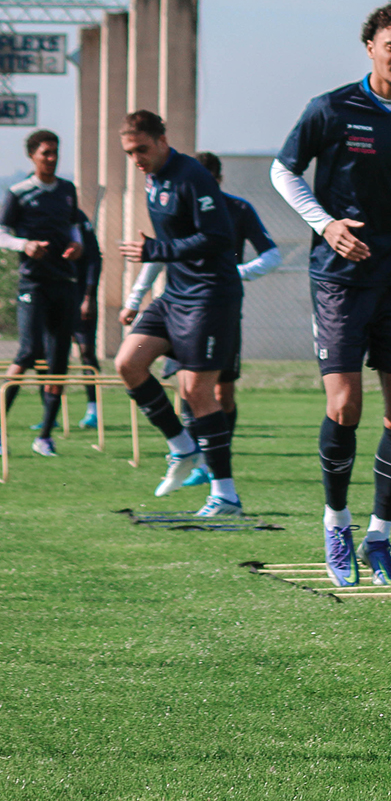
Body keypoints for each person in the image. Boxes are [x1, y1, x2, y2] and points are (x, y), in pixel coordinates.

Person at [271, 2, 391, 587]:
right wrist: (325, 224)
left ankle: (380, 536)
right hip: (340, 280)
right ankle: (336, 523)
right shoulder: (330, 107)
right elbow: (283, 171)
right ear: (370, 45)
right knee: (345, 406)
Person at [113, 111, 243, 515]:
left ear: (162, 139)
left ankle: (225, 495)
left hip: (209, 296)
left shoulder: (193, 176)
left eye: (142, 149)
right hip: (175, 296)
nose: (136, 159)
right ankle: (181, 447)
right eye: (130, 152)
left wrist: (157, 250)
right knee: (128, 363)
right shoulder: (152, 177)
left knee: (196, 392)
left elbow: (218, 237)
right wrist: (143, 280)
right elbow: (166, 241)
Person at [125, 150, 279, 485]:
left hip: (215, 305)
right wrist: (135, 299)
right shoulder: (176, 197)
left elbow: (271, 253)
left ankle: (217, 471)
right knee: (175, 384)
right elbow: (159, 252)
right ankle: (189, 452)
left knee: (218, 392)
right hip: (176, 303)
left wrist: (239, 273)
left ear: (217, 180)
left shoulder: (237, 209)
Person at [0, 130, 83, 457]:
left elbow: (74, 225)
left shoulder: (67, 190)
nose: (51, 158)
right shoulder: (19, 193)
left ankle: (45, 436)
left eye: (55, 152)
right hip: (32, 283)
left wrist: (77, 244)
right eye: (45, 152)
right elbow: (2, 234)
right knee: (28, 352)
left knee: (58, 360)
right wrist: (25, 245)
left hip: (64, 282)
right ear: (32, 155)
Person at [72, 208, 102, 428]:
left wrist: (88, 297)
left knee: (86, 352)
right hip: (49, 295)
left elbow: (94, 258)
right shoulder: (34, 219)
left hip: (79, 295)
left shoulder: (77, 218)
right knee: (46, 354)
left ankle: (93, 409)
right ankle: (49, 415)